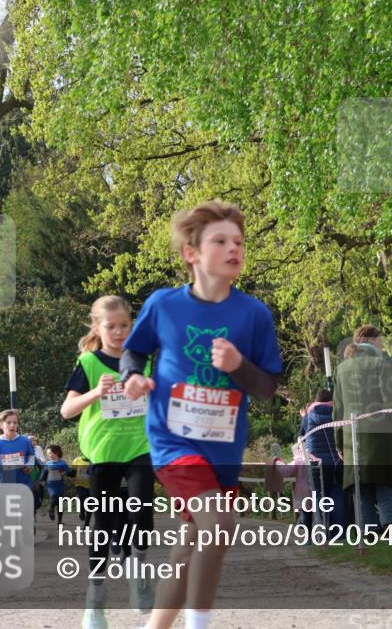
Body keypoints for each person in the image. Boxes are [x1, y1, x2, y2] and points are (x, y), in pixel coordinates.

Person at [120, 200, 283, 629]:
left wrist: (238, 367)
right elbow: (134, 351)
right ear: (191, 253)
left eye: (239, 241)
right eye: (221, 240)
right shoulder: (164, 305)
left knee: (189, 546)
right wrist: (133, 377)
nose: (234, 248)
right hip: (173, 441)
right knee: (221, 523)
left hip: (223, 448)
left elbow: (267, 387)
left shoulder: (254, 313)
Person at [60, 294, 156, 625]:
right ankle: (96, 600)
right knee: (104, 525)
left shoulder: (143, 360)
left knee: (142, 508)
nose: (118, 332)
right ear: (97, 328)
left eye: (124, 326)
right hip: (102, 451)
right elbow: (67, 410)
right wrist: (96, 393)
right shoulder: (88, 364)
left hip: (140, 447)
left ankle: (139, 572)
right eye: (110, 326)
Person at [333, 325, 392, 533]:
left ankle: (368, 531)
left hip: (351, 437)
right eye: (381, 340)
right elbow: (391, 403)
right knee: (385, 483)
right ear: (372, 341)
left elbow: (338, 410)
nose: (383, 344)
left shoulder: (341, 369)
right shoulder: (382, 365)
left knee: (361, 487)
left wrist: (339, 441)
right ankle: (389, 527)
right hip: (382, 437)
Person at [300, 388, 344, 529]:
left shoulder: (309, 416)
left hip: (315, 462)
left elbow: (301, 435)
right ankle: (341, 532)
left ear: (316, 400)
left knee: (319, 495)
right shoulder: (338, 415)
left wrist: (303, 417)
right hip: (336, 461)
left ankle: (323, 530)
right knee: (337, 494)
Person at [0, 410, 36, 490]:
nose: (12, 425)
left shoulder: (25, 441)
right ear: (1, 425)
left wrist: (30, 465)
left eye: (15, 422)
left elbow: (31, 456)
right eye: (8, 423)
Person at [42, 445, 72, 524]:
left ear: (56, 453)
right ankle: (50, 510)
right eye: (47, 454)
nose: (48, 455)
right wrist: (41, 481)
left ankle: (59, 521)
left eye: (50, 453)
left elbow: (69, 471)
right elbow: (44, 473)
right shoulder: (48, 463)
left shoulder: (62, 463)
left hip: (60, 485)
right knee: (53, 498)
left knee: (60, 504)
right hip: (51, 485)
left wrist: (64, 473)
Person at [71, 454, 93, 526]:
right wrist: (72, 478)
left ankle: (86, 523)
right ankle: (82, 511)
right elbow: (73, 473)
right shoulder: (77, 460)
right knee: (82, 499)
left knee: (90, 505)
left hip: (91, 486)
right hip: (80, 485)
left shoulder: (93, 460)